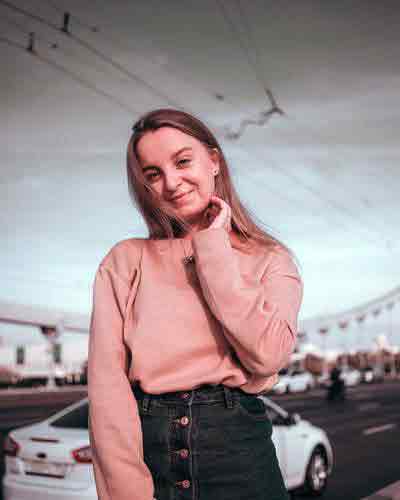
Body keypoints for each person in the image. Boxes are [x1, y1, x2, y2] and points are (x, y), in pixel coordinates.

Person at [87, 108, 304, 500]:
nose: (171, 182)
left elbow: (267, 356)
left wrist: (213, 248)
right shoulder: (124, 261)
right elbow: (107, 391)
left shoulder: (270, 259)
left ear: (214, 161)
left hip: (239, 454)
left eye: (182, 161)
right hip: (150, 455)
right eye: (152, 173)